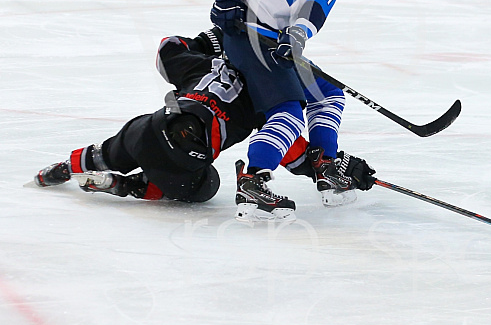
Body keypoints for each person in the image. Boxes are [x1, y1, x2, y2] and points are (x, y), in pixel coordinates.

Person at [32, 27, 376, 222]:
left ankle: (64, 168)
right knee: (204, 186)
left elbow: (167, 49)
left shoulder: (200, 65)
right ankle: (125, 187)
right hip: (186, 160)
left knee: (112, 149)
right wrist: (325, 167)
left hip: (150, 129)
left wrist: (210, 40)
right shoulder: (263, 98)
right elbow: (291, 152)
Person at [210, 0, 354, 213]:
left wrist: (297, 36)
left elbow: (316, 9)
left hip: (279, 44)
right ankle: (253, 180)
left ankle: (324, 164)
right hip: (245, 36)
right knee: (288, 111)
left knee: (328, 94)